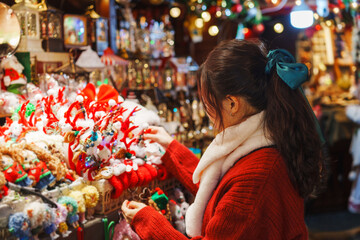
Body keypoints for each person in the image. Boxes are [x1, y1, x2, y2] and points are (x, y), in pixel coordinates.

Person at [121, 39, 327, 239]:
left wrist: (148, 221)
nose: (207, 113)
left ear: (232, 104)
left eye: (207, 102)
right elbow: (221, 189)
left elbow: (236, 193)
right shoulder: (264, 142)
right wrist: (171, 147)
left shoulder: (257, 175)